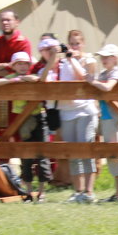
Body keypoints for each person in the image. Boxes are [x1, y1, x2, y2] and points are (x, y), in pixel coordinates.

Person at [41, 34, 99, 203]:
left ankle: (89, 192)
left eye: (77, 44)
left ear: (83, 44)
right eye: (71, 44)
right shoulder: (60, 63)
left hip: (85, 110)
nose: (74, 47)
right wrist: (56, 55)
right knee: (73, 153)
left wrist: (71, 57)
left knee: (86, 150)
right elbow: (45, 78)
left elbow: (82, 76)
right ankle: (78, 191)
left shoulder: (88, 59)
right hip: (66, 111)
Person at [0, 51, 51, 201]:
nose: (23, 66)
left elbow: (37, 79)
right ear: (14, 66)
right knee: (26, 155)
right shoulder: (13, 78)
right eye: (19, 64)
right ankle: (29, 192)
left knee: (42, 154)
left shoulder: (33, 75)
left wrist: (24, 79)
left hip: (38, 116)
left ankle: (42, 192)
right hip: (22, 119)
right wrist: (16, 80)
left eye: (25, 63)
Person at [86, 44, 118, 202]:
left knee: (116, 153)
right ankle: (116, 193)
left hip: (114, 117)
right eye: (102, 57)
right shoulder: (104, 73)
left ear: (115, 58)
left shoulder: (115, 72)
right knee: (109, 152)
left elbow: (108, 87)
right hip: (105, 116)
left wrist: (92, 82)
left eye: (107, 57)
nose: (103, 59)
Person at [0, 10, 32, 79]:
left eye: (8, 20)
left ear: (17, 22)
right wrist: (6, 65)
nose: (5, 22)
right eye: (2, 20)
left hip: (14, 86)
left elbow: (23, 71)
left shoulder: (23, 43)